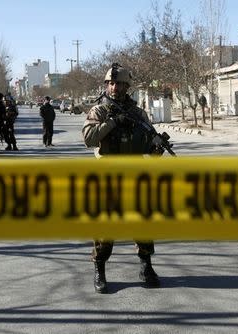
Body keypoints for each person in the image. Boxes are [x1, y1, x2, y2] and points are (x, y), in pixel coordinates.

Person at [82, 63, 161, 294]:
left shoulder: (138, 113)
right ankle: (100, 269)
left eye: (119, 84)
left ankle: (146, 267)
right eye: (111, 83)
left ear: (127, 86)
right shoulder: (99, 111)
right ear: (107, 85)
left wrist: (156, 150)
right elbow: (89, 138)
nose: (115, 87)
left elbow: (149, 139)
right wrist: (113, 122)